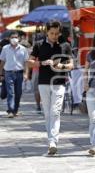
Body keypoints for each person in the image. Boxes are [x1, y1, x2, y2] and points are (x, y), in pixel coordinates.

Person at [28, 21, 73, 155]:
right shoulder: (39, 45)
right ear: (47, 32)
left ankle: (53, 141)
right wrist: (41, 63)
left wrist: (62, 67)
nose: (54, 36)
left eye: (56, 33)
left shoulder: (65, 45)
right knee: (48, 113)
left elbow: (71, 65)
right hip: (44, 83)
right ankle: (51, 141)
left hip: (59, 83)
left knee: (55, 111)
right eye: (52, 33)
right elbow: (29, 63)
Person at [0, 31, 29, 118]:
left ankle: (15, 110)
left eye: (16, 37)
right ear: (9, 39)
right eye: (12, 37)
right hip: (8, 73)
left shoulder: (23, 49)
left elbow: (26, 62)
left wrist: (26, 73)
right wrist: (1, 74)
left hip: (19, 73)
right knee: (10, 92)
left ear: (19, 38)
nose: (14, 39)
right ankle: (10, 110)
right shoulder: (5, 48)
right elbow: (2, 62)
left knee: (18, 93)